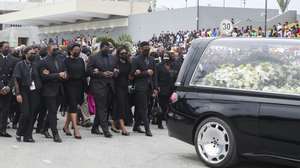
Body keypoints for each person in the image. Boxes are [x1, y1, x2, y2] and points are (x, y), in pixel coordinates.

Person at [87, 41, 119, 138]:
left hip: (110, 86)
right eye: (105, 47)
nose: (107, 49)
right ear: (101, 48)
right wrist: (101, 73)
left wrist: (114, 73)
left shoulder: (113, 57)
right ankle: (106, 130)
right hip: (98, 86)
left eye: (108, 47)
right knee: (102, 108)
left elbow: (117, 69)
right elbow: (88, 71)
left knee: (105, 108)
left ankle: (94, 128)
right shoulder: (93, 57)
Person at [13, 46, 42, 143]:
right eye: (31, 53)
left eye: (34, 53)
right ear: (25, 54)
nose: (33, 55)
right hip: (23, 91)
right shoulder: (19, 65)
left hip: (34, 92)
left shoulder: (36, 65)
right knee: (25, 113)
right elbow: (16, 79)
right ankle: (19, 132)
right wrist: (18, 93)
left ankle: (28, 135)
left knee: (32, 114)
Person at [40, 43, 67, 143]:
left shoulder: (60, 59)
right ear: (48, 50)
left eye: (57, 48)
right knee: (52, 112)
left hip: (59, 89)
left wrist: (64, 74)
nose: (56, 50)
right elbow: (44, 77)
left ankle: (44, 128)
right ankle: (55, 134)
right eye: (54, 49)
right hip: (49, 90)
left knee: (54, 111)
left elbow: (64, 71)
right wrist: (57, 75)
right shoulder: (44, 61)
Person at [131, 41, 158, 137]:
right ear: (140, 49)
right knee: (144, 108)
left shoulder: (152, 59)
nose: (147, 50)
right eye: (145, 49)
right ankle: (147, 128)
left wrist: (155, 88)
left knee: (141, 107)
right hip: (140, 87)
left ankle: (136, 126)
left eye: (148, 49)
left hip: (149, 87)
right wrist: (145, 72)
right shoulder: (135, 60)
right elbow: (132, 74)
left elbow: (154, 75)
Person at [63, 43, 86, 139]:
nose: (77, 51)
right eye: (75, 49)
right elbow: (64, 73)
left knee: (74, 106)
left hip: (79, 86)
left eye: (79, 49)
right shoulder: (66, 60)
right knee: (73, 106)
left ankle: (65, 126)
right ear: (70, 51)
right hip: (69, 86)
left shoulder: (81, 60)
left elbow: (83, 73)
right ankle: (76, 129)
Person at [0, 41, 19, 138]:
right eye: (5, 47)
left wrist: (8, 87)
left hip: (8, 88)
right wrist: (1, 86)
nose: (7, 49)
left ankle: (2, 130)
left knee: (5, 110)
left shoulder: (14, 60)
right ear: (0, 48)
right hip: (0, 87)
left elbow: (14, 75)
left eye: (8, 47)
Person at [111, 46, 131, 136]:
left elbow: (130, 76)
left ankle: (113, 124)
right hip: (117, 87)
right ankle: (123, 128)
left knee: (120, 106)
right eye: (122, 53)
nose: (124, 54)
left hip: (125, 87)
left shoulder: (128, 63)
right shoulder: (116, 63)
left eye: (125, 53)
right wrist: (115, 73)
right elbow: (113, 76)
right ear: (118, 54)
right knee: (120, 107)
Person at [156, 55, 173, 129]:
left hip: (171, 89)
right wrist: (156, 87)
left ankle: (167, 122)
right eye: (165, 57)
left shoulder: (173, 65)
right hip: (162, 89)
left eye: (168, 57)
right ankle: (159, 123)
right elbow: (156, 77)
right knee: (162, 106)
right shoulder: (158, 66)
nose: (166, 59)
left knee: (169, 107)